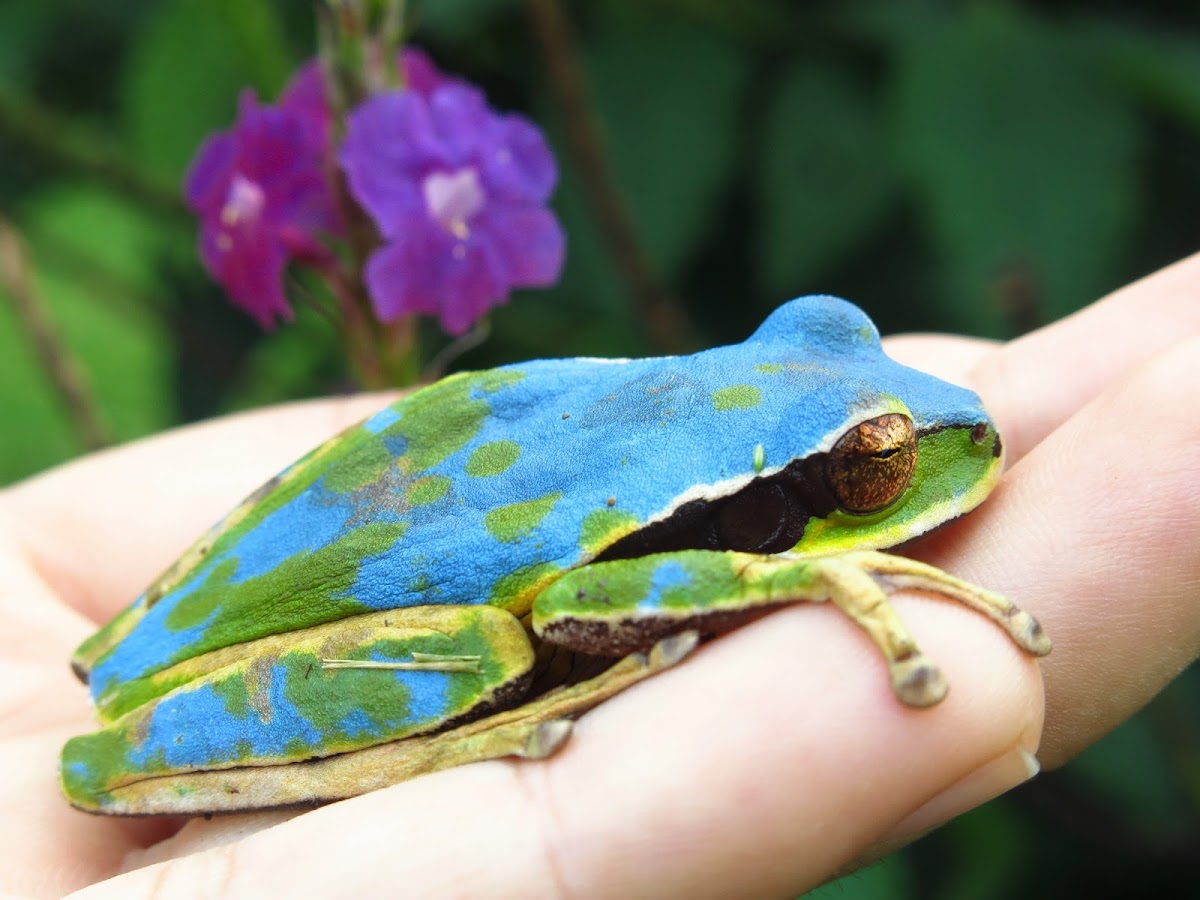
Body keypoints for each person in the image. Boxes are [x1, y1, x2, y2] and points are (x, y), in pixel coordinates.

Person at [2, 254, 1197, 898]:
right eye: (876, 463)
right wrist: (789, 581)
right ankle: (376, 728)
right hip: (441, 592)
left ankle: (141, 647)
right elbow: (576, 601)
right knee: (500, 645)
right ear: (786, 502)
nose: (912, 452)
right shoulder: (725, 522)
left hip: (423, 508)